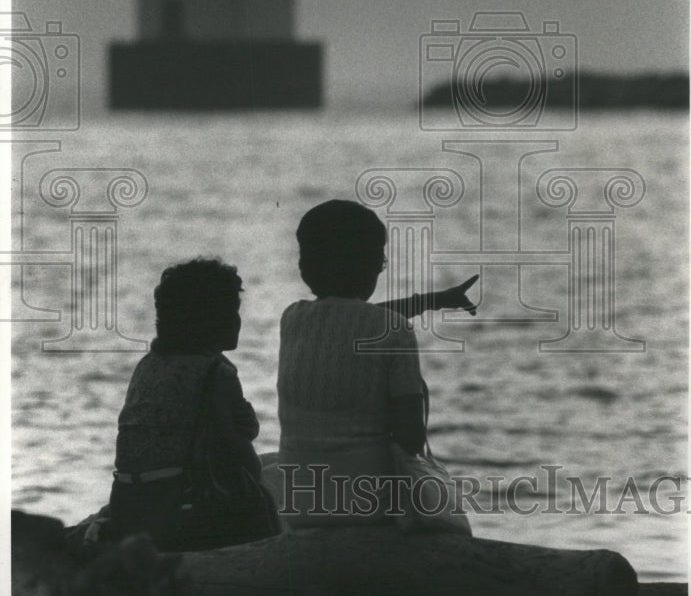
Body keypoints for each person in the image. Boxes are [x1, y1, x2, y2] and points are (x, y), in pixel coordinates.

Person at [270, 199, 477, 528]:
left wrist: (430, 301)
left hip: (298, 506)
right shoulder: (396, 332)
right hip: (368, 510)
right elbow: (411, 438)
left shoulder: (292, 319)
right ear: (371, 266)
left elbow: (347, 320)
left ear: (305, 267)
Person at [106, 257, 279, 551]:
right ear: (204, 322)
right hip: (181, 512)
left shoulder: (148, 364)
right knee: (267, 486)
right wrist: (260, 495)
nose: (238, 321)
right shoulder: (216, 373)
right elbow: (242, 454)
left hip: (128, 504)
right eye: (230, 313)